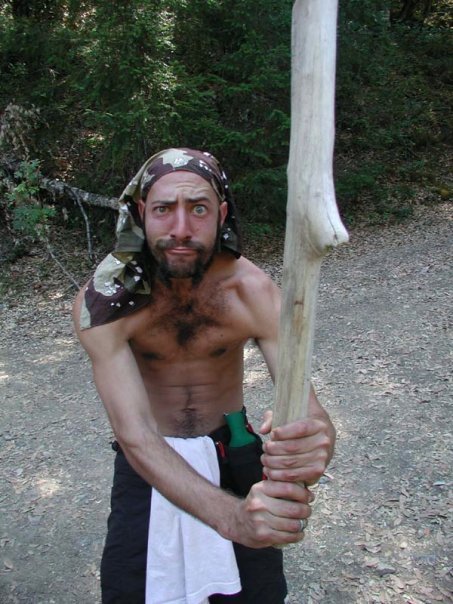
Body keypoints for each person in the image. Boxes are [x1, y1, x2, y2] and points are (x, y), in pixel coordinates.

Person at [73, 148, 336, 604]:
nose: (181, 228)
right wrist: (232, 519)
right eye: (164, 209)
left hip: (235, 452)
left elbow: (310, 412)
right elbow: (135, 435)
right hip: (148, 464)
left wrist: (317, 444)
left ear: (222, 214)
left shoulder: (254, 292)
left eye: (198, 209)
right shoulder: (106, 304)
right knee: (130, 590)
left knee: (256, 594)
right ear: (142, 212)